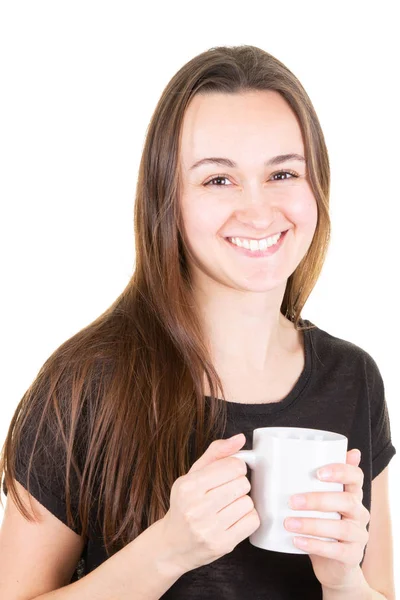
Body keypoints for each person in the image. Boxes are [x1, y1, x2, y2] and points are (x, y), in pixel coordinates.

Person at [0, 44, 396, 599]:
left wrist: (344, 580)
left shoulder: (352, 379)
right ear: (169, 199)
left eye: (283, 173)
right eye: (218, 180)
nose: (259, 211)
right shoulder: (85, 383)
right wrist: (168, 549)